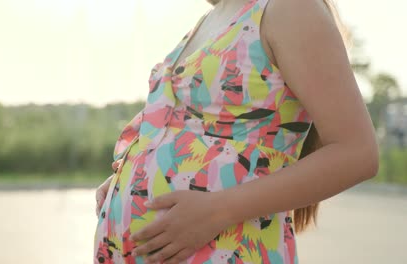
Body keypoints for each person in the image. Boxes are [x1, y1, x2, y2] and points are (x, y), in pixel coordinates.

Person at [93, 0, 379, 263]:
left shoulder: (290, 9)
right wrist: (131, 176)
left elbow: (357, 152)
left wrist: (218, 210)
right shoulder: (212, 18)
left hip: (230, 248)